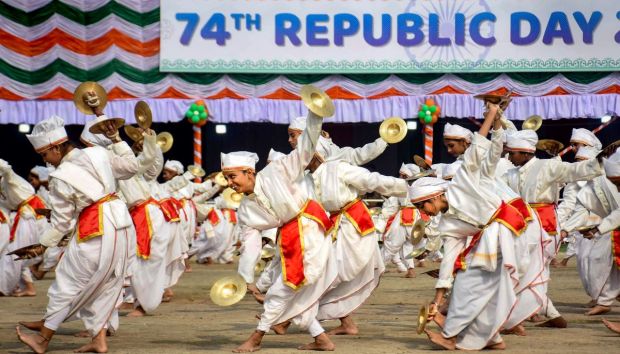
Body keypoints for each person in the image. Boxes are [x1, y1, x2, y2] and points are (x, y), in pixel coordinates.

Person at [16, 115, 138, 353]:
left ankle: (43, 338)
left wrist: (41, 246)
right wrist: (116, 139)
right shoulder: (98, 153)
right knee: (107, 282)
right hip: (122, 224)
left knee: (68, 282)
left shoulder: (59, 177)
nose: (47, 162)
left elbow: (61, 223)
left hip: (97, 228)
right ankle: (98, 339)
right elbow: (132, 168)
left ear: (55, 147)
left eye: (45, 155)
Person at [415, 103, 528, 350]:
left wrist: (491, 116)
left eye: (423, 206)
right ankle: (492, 339)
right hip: (491, 239)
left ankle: (451, 336)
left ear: (435, 196)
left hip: (506, 229)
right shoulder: (446, 224)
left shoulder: (463, 181)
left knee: (469, 285)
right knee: (479, 287)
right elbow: (449, 258)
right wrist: (437, 298)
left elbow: (478, 145)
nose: (423, 213)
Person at [227, 108, 338, 352]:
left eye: (233, 176)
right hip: (289, 239)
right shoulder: (245, 209)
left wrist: (315, 117)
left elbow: (305, 149)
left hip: (309, 230)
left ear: (248, 172)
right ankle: (322, 339)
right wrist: (247, 279)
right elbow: (251, 244)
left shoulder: (277, 170)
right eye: (227, 178)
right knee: (296, 291)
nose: (230, 183)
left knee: (282, 289)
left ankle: (256, 338)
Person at [309, 135, 408, 335]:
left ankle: (289, 317)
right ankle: (344, 322)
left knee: (332, 272)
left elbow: (372, 180)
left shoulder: (338, 167)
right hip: (335, 225)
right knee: (327, 271)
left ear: (315, 152)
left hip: (354, 226)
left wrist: (407, 186)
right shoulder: (308, 176)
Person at [504, 128, 603, 326]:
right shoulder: (510, 174)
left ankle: (517, 320)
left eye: (511, 152)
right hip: (520, 226)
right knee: (530, 271)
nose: (508, 156)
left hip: (546, 227)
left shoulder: (547, 166)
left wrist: (604, 159)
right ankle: (550, 313)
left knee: (529, 271)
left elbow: (576, 171)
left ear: (524, 152)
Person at [561, 148, 620, 315]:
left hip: (609, 228)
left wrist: (597, 229)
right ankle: (604, 300)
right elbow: (581, 209)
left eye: (583, 161)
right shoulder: (588, 185)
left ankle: (605, 300)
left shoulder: (609, 178)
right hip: (610, 228)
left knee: (601, 260)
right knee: (604, 263)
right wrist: (565, 230)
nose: (579, 164)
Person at [0, 160, 48, 297]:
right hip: (23, 217)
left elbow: (6, 168)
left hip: (29, 216)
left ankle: (5, 287)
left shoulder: (9, 178)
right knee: (16, 252)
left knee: (15, 252)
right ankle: (25, 286)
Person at [381, 163, 429, 277]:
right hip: (416, 217)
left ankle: (378, 268)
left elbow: (392, 206)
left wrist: (382, 217)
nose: (400, 177)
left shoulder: (402, 187)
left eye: (402, 175)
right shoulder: (420, 186)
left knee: (391, 244)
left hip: (404, 216)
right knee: (408, 244)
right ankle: (410, 269)